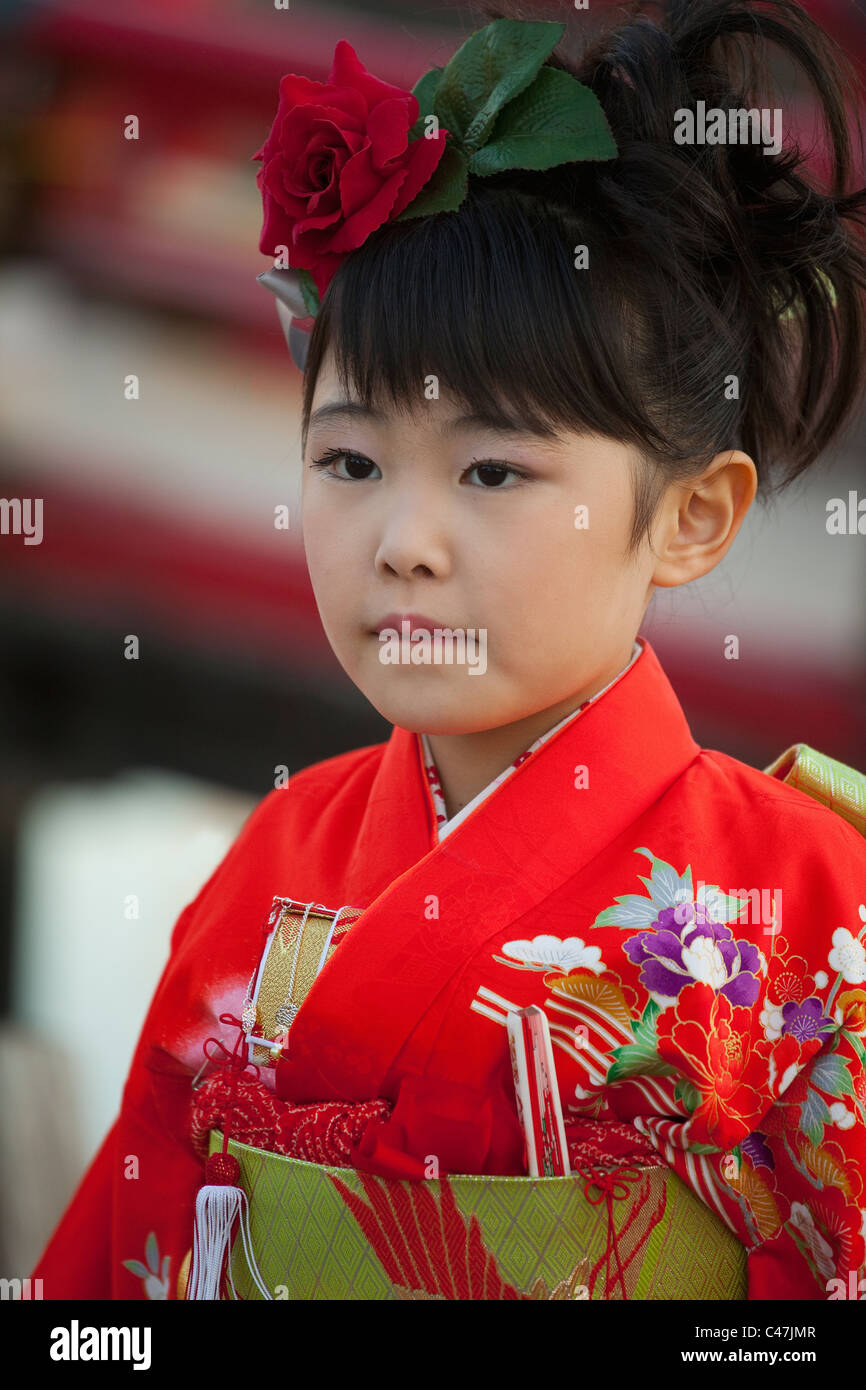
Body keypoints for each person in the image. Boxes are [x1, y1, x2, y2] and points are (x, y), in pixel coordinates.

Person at [32, 0, 866, 1301]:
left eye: (491, 469)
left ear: (689, 515)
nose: (403, 542)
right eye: (351, 460)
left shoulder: (813, 904)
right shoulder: (270, 868)